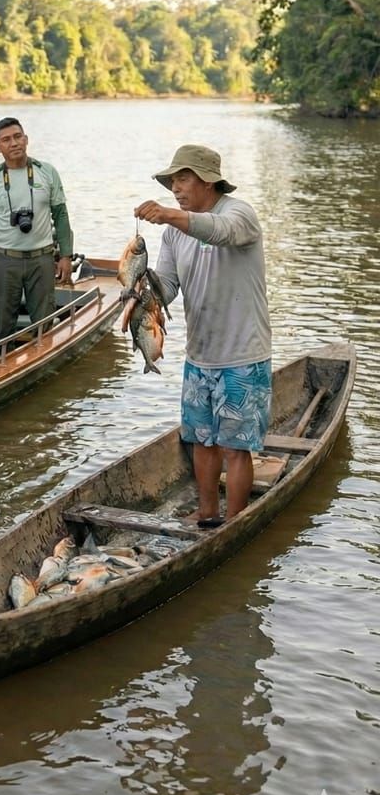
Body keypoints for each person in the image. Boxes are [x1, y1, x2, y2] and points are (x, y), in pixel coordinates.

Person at [134, 144, 272, 524]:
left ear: (208, 181)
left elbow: (221, 232)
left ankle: (236, 519)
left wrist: (172, 216)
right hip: (200, 355)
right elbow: (168, 286)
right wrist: (138, 286)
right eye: (173, 181)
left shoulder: (239, 213)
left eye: (183, 179)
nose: (176, 188)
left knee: (235, 448)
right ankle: (208, 512)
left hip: (243, 355)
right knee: (200, 440)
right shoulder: (174, 233)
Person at [0, 117, 73, 344]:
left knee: (44, 323)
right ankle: (2, 363)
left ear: (26, 139)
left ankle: (43, 362)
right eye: (6, 140)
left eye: (18, 137)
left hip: (42, 259)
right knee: (3, 320)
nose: (14, 143)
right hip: (6, 260)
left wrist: (66, 255)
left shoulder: (46, 172)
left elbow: (61, 215)